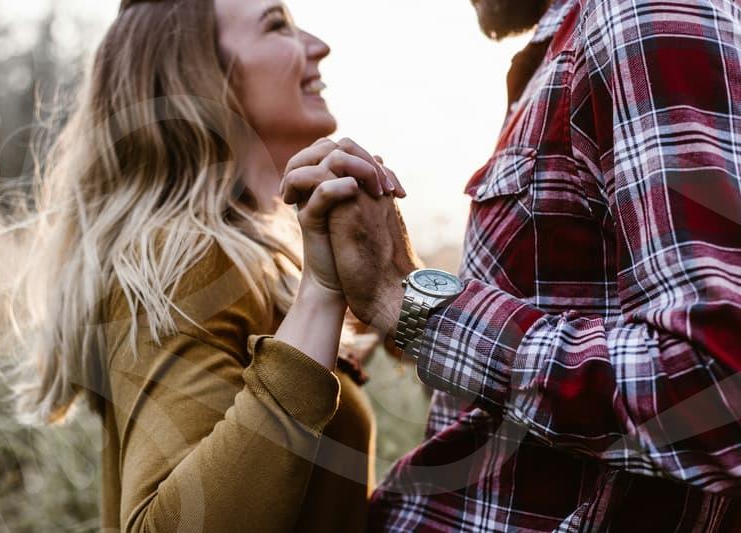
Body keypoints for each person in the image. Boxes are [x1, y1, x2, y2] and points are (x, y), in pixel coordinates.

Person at [283, 0, 741, 530]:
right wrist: (405, 286)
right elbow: (500, 418)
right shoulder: (575, 48)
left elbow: (715, 388)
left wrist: (403, 297)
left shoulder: (643, 16)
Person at [6, 0, 405, 531]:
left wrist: (391, 274)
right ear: (199, 74)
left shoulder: (251, 260)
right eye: (276, 24)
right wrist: (320, 295)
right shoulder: (185, 262)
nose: (317, 44)